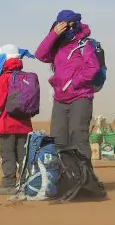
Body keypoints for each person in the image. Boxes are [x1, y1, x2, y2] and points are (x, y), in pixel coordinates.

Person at [34, 9, 100, 160]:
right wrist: (54, 35)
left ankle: (83, 179)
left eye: (72, 25)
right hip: (60, 99)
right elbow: (40, 55)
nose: (69, 29)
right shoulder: (58, 46)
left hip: (80, 96)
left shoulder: (84, 43)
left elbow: (93, 67)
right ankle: (64, 178)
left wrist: (74, 83)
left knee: (78, 138)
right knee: (58, 140)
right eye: (65, 26)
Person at [0, 47, 33, 195]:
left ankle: (9, 184)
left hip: (7, 123)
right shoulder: (26, 77)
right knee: (23, 154)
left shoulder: (5, 77)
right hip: (25, 124)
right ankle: (26, 183)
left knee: (8, 154)